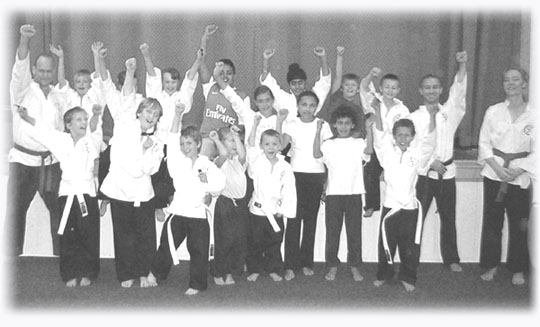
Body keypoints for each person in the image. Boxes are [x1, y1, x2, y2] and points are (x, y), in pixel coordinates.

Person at [98, 54, 165, 288]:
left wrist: (147, 151)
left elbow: (150, 168)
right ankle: (126, 274)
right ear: (138, 112)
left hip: (142, 193)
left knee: (146, 236)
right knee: (123, 234)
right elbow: (126, 96)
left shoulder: (156, 140)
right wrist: (129, 71)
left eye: (155, 115)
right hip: (120, 189)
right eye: (148, 112)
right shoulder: (125, 125)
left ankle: (145, 272)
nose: (151, 117)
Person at [17, 106, 102, 287]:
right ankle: (70, 273)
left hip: (86, 193)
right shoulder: (60, 140)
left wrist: (95, 115)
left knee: (89, 235)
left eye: (84, 119)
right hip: (67, 193)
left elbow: (95, 127)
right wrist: (26, 117)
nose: (83, 123)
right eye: (78, 119)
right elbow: (43, 132)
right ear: (68, 124)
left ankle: (89, 272)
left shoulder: (91, 140)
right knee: (68, 235)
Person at [147, 104, 225, 295]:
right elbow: (173, 138)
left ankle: (197, 284)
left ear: (198, 144)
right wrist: (178, 114)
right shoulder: (176, 161)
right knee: (166, 245)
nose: (185, 147)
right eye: (183, 144)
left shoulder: (206, 164)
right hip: (178, 212)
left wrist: (208, 186)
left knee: (199, 251)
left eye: (189, 143)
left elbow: (219, 186)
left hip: (198, 213)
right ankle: (156, 274)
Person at [5, 24, 67, 257]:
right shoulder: (21, 90)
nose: (44, 74)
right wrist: (24, 40)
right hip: (22, 161)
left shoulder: (59, 97)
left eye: (48, 71)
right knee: (16, 212)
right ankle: (10, 258)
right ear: (34, 70)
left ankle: (61, 257)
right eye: (40, 70)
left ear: (53, 72)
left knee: (59, 211)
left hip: (50, 162)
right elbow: (19, 68)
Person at [409, 51, 468, 272]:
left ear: (440, 90)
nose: (431, 90)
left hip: (447, 173)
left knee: (448, 218)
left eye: (435, 87)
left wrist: (462, 66)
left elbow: (459, 93)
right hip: (424, 175)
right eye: (427, 87)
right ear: (420, 91)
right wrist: (429, 163)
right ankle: (411, 260)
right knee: (417, 220)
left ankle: (451, 258)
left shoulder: (448, 113)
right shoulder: (414, 117)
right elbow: (412, 148)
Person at [477, 67, 534, 286]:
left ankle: (517, 268)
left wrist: (520, 169)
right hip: (494, 173)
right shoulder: (493, 111)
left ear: (524, 84)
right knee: (492, 223)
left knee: (520, 224)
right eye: (506, 80)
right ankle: (491, 265)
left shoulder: (534, 114)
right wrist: (497, 168)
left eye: (515, 79)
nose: (510, 83)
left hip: (521, 176)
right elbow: (484, 143)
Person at [372, 110, 435, 291]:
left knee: (410, 246)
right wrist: (376, 111)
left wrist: (433, 117)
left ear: (412, 137)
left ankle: (408, 276)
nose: (403, 138)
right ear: (394, 136)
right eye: (399, 134)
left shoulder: (417, 155)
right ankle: (384, 274)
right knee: (386, 243)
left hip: (409, 207)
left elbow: (430, 141)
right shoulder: (387, 153)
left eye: (407, 135)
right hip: (390, 205)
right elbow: (379, 134)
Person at [139, 42, 201, 221]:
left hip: (175, 141)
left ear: (177, 82)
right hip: (158, 140)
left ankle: (172, 198)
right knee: (157, 173)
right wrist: (146, 55)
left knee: (174, 172)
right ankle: (158, 205)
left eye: (173, 82)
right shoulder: (157, 95)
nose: (170, 85)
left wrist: (198, 60)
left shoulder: (182, 97)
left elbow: (190, 78)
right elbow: (151, 74)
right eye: (166, 81)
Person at [276, 91, 333, 280]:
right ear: (298, 107)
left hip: (316, 177)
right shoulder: (292, 124)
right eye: (303, 105)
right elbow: (279, 145)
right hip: (295, 177)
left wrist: (326, 182)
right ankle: (290, 265)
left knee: (310, 222)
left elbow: (326, 157)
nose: (307, 109)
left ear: (316, 107)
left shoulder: (323, 126)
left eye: (311, 105)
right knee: (293, 221)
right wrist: (279, 121)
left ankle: (306, 262)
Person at [313, 105, 373, 282]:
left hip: (354, 194)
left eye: (347, 123)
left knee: (354, 234)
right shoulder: (329, 144)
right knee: (333, 233)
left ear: (353, 125)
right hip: (334, 196)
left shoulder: (358, 143)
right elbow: (316, 154)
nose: (344, 126)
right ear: (334, 125)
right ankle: (332, 266)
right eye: (340, 123)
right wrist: (317, 132)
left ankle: (354, 266)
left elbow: (369, 151)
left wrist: (369, 130)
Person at [245, 119, 296, 283]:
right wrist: (254, 125)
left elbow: (289, 189)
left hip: (275, 210)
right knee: (255, 242)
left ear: (280, 146)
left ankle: (273, 269)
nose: (271, 147)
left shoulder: (285, 167)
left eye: (274, 144)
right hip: (258, 210)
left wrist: (284, 210)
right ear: (261, 146)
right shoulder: (256, 162)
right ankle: (255, 269)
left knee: (274, 242)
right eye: (267, 144)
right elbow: (250, 147)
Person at [360, 67, 411, 218]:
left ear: (398, 90)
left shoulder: (402, 109)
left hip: (392, 148)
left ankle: (398, 202)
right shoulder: (374, 100)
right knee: (370, 173)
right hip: (375, 145)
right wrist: (370, 75)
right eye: (387, 87)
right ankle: (371, 205)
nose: (390, 90)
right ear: (381, 88)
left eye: (394, 88)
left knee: (394, 177)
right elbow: (363, 87)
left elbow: (404, 130)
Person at [197, 24, 249, 159]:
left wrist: (234, 132)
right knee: (204, 159)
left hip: (228, 142)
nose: (225, 76)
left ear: (234, 76)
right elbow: (200, 62)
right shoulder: (210, 87)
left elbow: (244, 125)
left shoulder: (242, 97)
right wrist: (204, 39)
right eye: (221, 73)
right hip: (208, 139)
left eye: (229, 73)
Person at [208, 125, 248, 286]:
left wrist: (236, 136)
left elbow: (242, 153)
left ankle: (231, 271)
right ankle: (218, 272)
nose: (234, 144)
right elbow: (224, 153)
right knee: (223, 240)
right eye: (230, 141)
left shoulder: (240, 161)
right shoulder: (218, 161)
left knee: (238, 240)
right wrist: (216, 139)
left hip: (240, 205)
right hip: (225, 204)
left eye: (236, 141)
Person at [260, 46, 331, 120]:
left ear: (305, 82)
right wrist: (266, 60)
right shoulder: (283, 99)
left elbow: (325, 81)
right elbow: (266, 81)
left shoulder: (313, 98)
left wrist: (323, 57)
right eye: (293, 83)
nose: (297, 87)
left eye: (300, 83)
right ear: (289, 85)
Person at [317, 46, 365, 139]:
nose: (350, 87)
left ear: (358, 90)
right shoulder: (336, 97)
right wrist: (340, 56)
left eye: (353, 85)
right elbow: (338, 76)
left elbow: (359, 130)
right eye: (347, 85)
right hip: (329, 139)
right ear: (341, 88)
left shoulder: (357, 109)